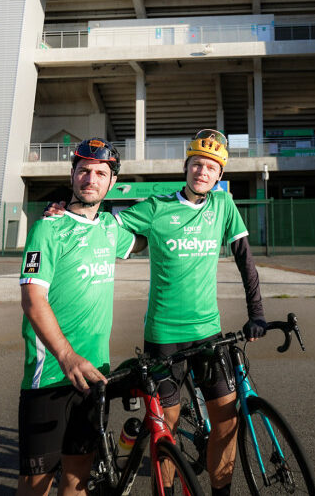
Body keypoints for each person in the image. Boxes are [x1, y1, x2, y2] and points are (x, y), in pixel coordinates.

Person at [117, 129, 267, 496]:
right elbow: (104, 226)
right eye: (197, 164)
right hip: (163, 338)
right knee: (164, 428)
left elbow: (246, 262)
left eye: (212, 167)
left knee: (227, 422)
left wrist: (257, 313)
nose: (203, 171)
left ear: (219, 176)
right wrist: (65, 210)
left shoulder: (223, 207)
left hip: (208, 335)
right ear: (186, 167)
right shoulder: (156, 208)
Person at [17, 138, 143, 496]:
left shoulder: (109, 228)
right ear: (72, 174)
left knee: (78, 478)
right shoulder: (47, 229)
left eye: (101, 173)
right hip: (52, 377)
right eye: (84, 170)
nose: (91, 178)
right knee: (34, 485)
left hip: (95, 373)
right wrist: (66, 355)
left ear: (111, 183)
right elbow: (32, 300)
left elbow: (145, 241)